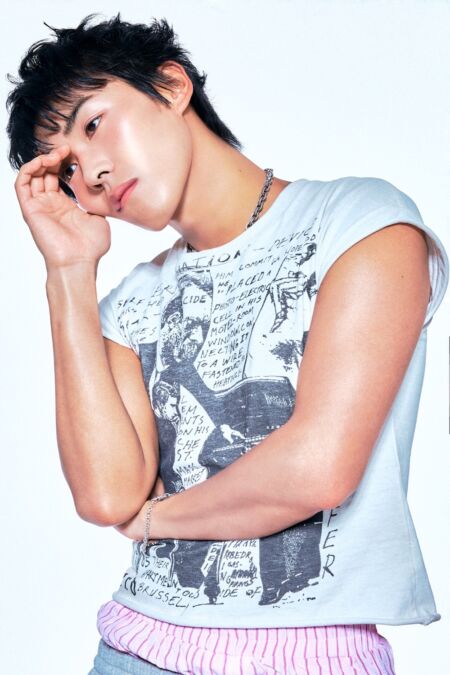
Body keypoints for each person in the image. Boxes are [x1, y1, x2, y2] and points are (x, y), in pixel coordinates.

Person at [7, 11, 449, 675]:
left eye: (93, 124)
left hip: (313, 658)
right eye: (67, 168)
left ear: (171, 85)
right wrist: (69, 271)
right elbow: (107, 496)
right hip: (133, 651)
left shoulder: (360, 223)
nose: (91, 171)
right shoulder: (130, 304)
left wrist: (154, 520)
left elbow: (318, 468)